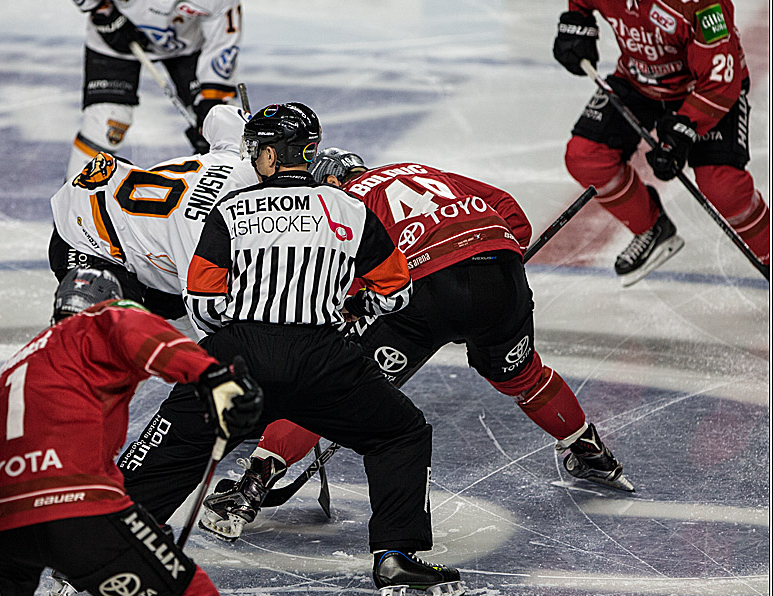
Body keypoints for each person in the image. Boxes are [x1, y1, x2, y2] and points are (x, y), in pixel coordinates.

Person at [118, 103, 466, 596]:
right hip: (324, 359)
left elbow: (203, 300)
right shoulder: (349, 210)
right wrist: (350, 307)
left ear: (269, 154)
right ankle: (395, 560)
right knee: (400, 434)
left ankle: (104, 551)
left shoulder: (230, 209)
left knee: (170, 454)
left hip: (238, 355)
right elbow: (396, 293)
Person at [199, 148, 637, 543]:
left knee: (333, 383)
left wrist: (350, 307)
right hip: (499, 273)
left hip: (424, 289)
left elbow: (342, 277)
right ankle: (590, 450)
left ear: (330, 181)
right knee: (524, 376)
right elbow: (509, 210)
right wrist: (496, 260)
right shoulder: (424, 170)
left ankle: (250, 488)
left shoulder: (339, 203)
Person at [0, 268, 263, 596]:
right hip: (72, 502)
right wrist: (213, 378)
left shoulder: (20, 361)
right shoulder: (104, 318)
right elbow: (141, 334)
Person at [552, 0, 769, 286]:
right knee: (585, 157)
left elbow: (721, 80)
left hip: (703, 88)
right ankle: (652, 229)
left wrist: (683, 130)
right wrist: (577, 23)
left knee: (724, 187)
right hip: (637, 79)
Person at [48, 104, 256, 323]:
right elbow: (205, 309)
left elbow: (222, 115)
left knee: (175, 331)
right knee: (126, 341)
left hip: (133, 226)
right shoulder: (210, 221)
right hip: (88, 233)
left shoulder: (243, 154)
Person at [56, 0, 243, 181]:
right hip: (116, 46)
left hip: (184, 48)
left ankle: (225, 203)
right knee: (108, 124)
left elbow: (223, 43)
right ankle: (74, 207)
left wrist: (212, 101)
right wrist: (105, 14)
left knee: (222, 123)